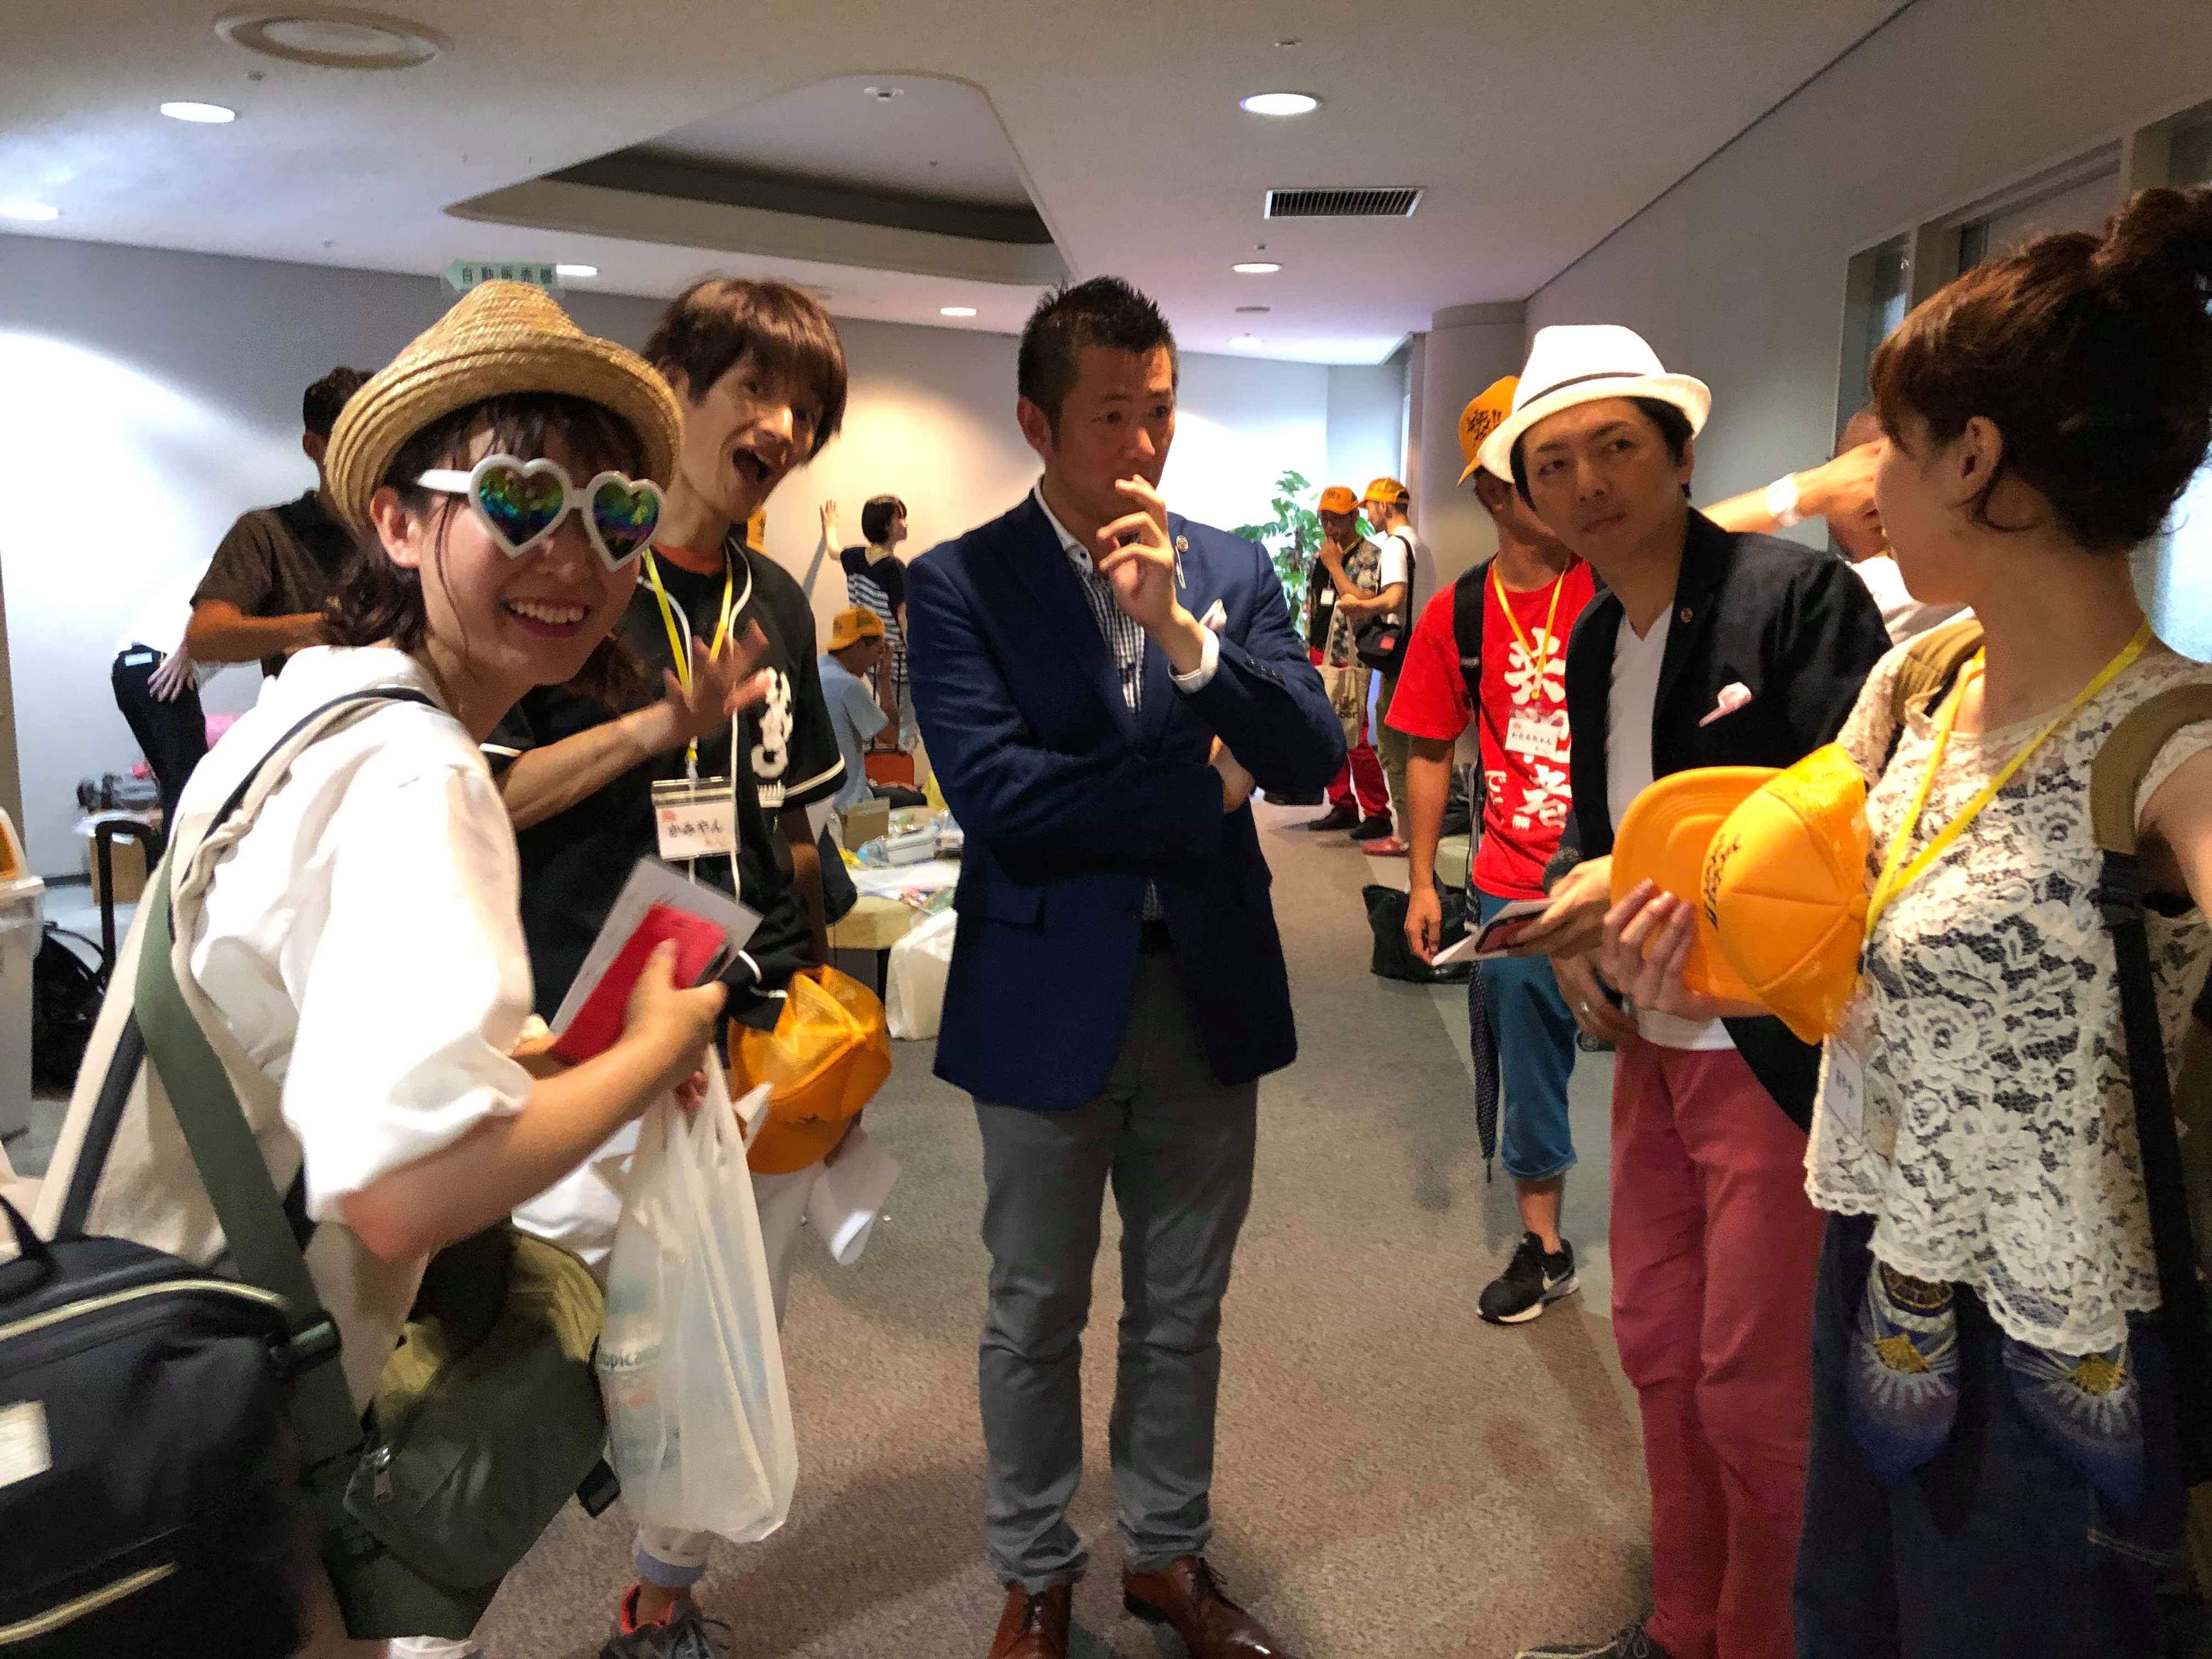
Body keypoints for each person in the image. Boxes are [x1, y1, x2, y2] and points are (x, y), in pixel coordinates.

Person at [38, 282, 725, 1657]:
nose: (574, 555)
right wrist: (657, 1052)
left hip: (120, 1347)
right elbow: (404, 1193)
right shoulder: (416, 771)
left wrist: (547, 1061)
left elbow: (300, 1022)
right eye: (520, 501)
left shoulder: (308, 710)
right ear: (400, 522)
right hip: (214, 1419)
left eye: (615, 513)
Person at [1612, 187, 2212, 1659]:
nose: (1866, 480)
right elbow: (1833, 915)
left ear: (1977, 460)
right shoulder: (1924, 681)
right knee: (1846, 1621)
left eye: (1890, 440)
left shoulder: (2170, 744)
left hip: (2051, 1337)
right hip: (1875, 1257)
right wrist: (1650, 937)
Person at [907, 276, 1342, 1659]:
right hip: (1043, 993)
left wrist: (1183, 639)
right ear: (1038, 423)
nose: (1144, 445)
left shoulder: (1233, 570)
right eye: (1110, 416)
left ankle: (1166, 1554)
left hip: (1208, 984)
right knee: (1035, 1305)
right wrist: (1201, 791)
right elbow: (1002, 802)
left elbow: (1309, 758)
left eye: (1160, 410)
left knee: (1184, 1304)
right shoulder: (959, 583)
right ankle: (1035, 1567)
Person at [1488, 324, 1889, 1659]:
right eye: (1555, 464)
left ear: (1679, 457)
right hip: (1652, 1042)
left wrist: (1649, 881)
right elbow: (1599, 834)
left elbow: (1853, 825)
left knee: (1757, 1384)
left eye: (1617, 446)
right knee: (1658, 1343)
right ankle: (1682, 1625)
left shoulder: (1796, 600)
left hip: (1769, 1054)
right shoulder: (1597, 634)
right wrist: (1574, 935)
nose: (1588, 481)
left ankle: (1762, 1637)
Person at [482, 276, 853, 1658]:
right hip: (569, 1025)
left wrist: (819, 999)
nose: (781, 428)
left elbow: (789, 830)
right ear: (674, 389)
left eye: (806, 411)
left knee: (719, 1324)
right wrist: (648, 731)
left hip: (731, 1012)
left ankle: (661, 1594)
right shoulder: (572, 579)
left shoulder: (777, 600)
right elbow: (484, 799)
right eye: (755, 391)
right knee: (525, 1355)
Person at [1393, 377, 1597, 1323]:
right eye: (1530, 471)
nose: (1560, 485)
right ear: (1489, 488)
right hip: (1512, 882)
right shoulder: (1459, 611)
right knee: (1530, 1068)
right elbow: (1429, 747)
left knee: (1668, 1062)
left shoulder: (1617, 581)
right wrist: (1420, 881)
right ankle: (1544, 1245)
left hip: (1628, 873)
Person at [1706, 413, 1968, 643]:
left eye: (1846, 471)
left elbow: (1683, 553)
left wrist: (1809, 492)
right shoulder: (1953, 582)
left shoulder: (1882, 588)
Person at [186, 366, 367, 678]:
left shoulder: (409, 526)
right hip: (316, 706)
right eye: (355, 443)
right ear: (314, 448)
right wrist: (317, 628)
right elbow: (205, 637)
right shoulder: (265, 532)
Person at [1302, 483, 1393, 834]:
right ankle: (1342, 804)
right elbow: (1313, 605)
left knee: (1355, 733)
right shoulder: (1320, 556)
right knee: (1325, 732)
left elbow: (1363, 601)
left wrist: (1334, 566)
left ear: (1355, 516)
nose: (1329, 527)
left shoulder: (1371, 555)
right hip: (1318, 651)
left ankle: (1378, 813)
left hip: (1351, 651)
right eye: (1324, 519)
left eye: (1337, 519)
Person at [110, 567, 214, 834]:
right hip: (160, 663)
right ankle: (180, 861)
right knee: (191, 789)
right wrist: (186, 650)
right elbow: (209, 603)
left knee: (175, 787)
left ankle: (168, 859)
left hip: (126, 670)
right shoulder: (245, 566)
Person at [1356, 476, 1420, 854]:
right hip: (1417, 655)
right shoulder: (1418, 542)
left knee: (1393, 748)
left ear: (1385, 506)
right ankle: (1414, 832)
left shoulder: (1395, 546)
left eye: (1370, 507)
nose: (1369, 515)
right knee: (1411, 748)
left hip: (1399, 660)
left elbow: (1395, 599)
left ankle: (1405, 836)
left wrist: (1360, 607)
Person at [819, 605, 925, 813]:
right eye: (878, 651)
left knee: (904, 794)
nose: (877, 660)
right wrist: (884, 679)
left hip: (825, 799)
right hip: (850, 805)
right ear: (859, 646)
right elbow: (891, 736)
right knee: (918, 801)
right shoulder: (848, 685)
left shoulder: (817, 669)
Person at [838, 493, 913, 746]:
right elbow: (903, 617)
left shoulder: (854, 557)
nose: (906, 524)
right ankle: (897, 765)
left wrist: (830, 527)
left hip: (870, 658)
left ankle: (885, 760)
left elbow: (833, 551)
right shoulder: (894, 568)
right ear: (888, 526)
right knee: (904, 728)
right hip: (897, 662)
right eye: (900, 518)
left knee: (883, 716)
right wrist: (918, 655)